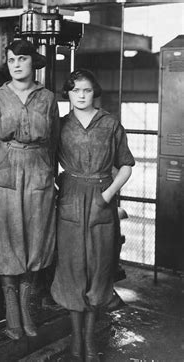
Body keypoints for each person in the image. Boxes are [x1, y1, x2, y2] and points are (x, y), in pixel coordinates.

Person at [51, 69, 135, 361]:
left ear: (94, 92)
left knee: (98, 271)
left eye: (87, 90)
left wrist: (107, 195)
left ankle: (89, 342)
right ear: (69, 94)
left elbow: (125, 165)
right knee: (72, 271)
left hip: (101, 197)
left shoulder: (110, 124)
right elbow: (45, 163)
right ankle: (76, 342)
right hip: (71, 197)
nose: (82, 95)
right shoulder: (61, 126)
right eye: (76, 91)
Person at [0, 39, 59, 340]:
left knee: (36, 240)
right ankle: (12, 313)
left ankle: (27, 310)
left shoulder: (47, 99)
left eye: (22, 58)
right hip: (4, 174)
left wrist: (43, 168)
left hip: (38, 171)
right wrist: (6, 161)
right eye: (11, 59)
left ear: (33, 62)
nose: (16, 64)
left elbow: (53, 140)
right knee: (7, 240)